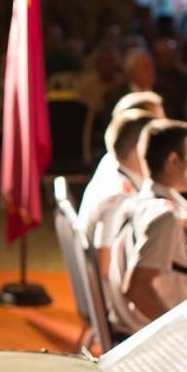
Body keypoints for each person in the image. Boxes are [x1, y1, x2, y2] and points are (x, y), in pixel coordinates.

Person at [107, 120, 187, 335]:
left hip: (126, 325)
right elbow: (137, 288)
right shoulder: (165, 217)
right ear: (173, 161)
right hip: (145, 333)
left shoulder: (134, 202)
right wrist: (183, 332)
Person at [77, 109, 155, 277]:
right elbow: (104, 268)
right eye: (156, 146)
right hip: (113, 295)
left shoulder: (111, 163)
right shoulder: (118, 199)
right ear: (139, 150)